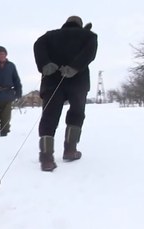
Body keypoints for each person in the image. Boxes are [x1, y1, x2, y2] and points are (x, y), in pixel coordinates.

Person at [33, 16, 98, 172]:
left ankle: (46, 159)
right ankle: (70, 150)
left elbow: (38, 45)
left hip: (52, 81)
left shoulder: (49, 36)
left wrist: (45, 64)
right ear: (80, 25)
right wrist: (75, 67)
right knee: (76, 113)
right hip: (78, 82)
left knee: (49, 116)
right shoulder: (89, 36)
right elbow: (90, 53)